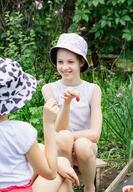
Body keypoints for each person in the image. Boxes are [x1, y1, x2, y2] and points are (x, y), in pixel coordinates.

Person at [0, 57, 79, 192]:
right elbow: (50, 173)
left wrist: (60, 162)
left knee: (61, 163)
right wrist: (48, 124)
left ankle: (62, 163)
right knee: (62, 177)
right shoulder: (20, 132)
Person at [42, 33, 103, 192]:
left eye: (70, 62)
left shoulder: (92, 89)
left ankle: (89, 187)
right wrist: (67, 103)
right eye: (60, 62)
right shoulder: (49, 89)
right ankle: (67, 187)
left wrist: (71, 138)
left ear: (81, 62)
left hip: (86, 148)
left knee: (81, 144)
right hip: (61, 147)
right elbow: (57, 129)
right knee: (63, 136)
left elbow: (95, 134)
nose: (64, 67)